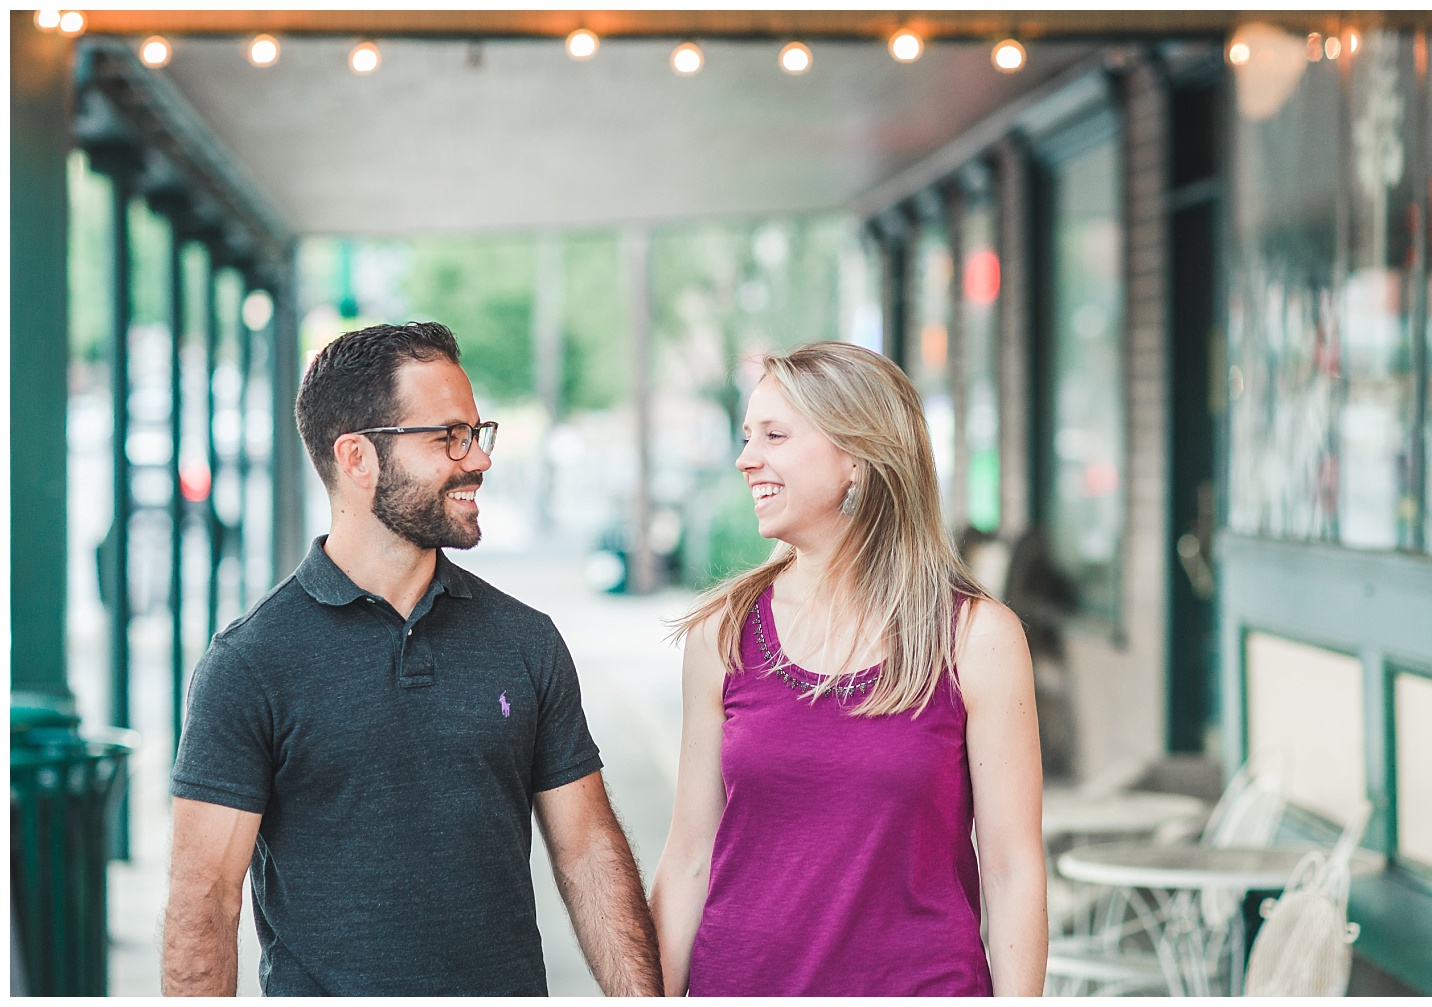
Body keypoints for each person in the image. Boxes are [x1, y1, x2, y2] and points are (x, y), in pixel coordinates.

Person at [161, 321, 662, 996]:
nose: (478, 459)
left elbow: (588, 851)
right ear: (357, 457)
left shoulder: (525, 640)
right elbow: (205, 904)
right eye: (448, 436)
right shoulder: (250, 665)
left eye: (477, 432)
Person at [650, 341, 1048, 996]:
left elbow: (1012, 870)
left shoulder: (977, 639)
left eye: (775, 435)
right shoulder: (722, 632)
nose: (747, 458)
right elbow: (689, 857)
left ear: (858, 457)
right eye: (749, 436)